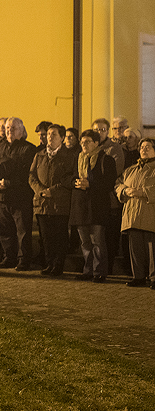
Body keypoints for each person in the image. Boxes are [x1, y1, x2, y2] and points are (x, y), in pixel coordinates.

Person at [0, 117, 38, 270]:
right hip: (1, 197)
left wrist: (9, 183)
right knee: (4, 230)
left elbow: (27, 173)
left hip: (20, 197)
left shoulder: (29, 149)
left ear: (22, 130)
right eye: (7, 128)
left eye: (13, 128)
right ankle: (9, 257)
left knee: (23, 231)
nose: (9, 131)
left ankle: (24, 259)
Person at [29, 124, 77, 275]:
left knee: (59, 236)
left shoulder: (69, 156)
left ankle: (58, 265)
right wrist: (40, 191)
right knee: (46, 237)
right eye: (48, 134)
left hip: (59, 203)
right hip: (42, 203)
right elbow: (31, 176)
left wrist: (53, 191)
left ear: (62, 138)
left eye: (54, 134)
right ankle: (49, 263)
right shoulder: (39, 155)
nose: (50, 137)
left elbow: (70, 178)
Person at [70, 130, 117, 282]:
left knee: (98, 241)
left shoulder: (106, 159)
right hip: (80, 206)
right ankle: (88, 270)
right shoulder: (77, 158)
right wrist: (76, 182)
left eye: (87, 142)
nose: (84, 145)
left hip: (98, 206)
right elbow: (67, 177)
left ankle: (99, 271)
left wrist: (90, 184)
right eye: (82, 142)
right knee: (85, 242)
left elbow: (109, 182)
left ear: (96, 143)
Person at [115, 138, 155, 287]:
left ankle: (153, 278)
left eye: (148, 147)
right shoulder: (131, 170)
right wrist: (125, 191)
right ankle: (138, 276)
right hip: (132, 214)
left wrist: (142, 192)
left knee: (152, 249)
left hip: (150, 214)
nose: (144, 149)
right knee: (135, 248)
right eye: (142, 147)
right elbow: (118, 184)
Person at [92, 118, 126, 275]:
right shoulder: (89, 146)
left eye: (102, 129)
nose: (99, 132)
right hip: (93, 199)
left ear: (107, 131)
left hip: (110, 198)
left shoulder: (114, 148)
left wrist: (94, 181)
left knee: (110, 236)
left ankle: (109, 267)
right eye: (96, 129)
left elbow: (115, 171)